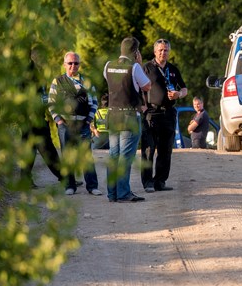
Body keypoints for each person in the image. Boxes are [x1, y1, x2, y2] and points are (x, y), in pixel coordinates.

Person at [104, 37, 151, 203]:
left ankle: (112, 193)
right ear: (135, 51)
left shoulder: (108, 66)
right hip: (129, 116)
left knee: (113, 155)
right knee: (125, 156)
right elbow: (147, 86)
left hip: (113, 115)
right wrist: (139, 63)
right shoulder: (135, 67)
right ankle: (123, 193)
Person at [48, 51, 101, 196]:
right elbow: (51, 102)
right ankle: (69, 186)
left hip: (83, 124)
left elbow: (94, 102)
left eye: (76, 63)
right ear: (64, 65)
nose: (73, 66)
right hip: (65, 125)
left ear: (79, 65)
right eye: (70, 63)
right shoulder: (57, 81)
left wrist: (89, 120)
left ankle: (92, 186)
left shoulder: (87, 81)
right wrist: (58, 120)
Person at [141, 38, 187, 192]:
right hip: (151, 113)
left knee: (165, 150)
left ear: (169, 52)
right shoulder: (146, 68)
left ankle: (160, 182)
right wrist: (142, 108)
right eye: (160, 50)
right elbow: (138, 88)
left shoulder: (173, 69)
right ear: (155, 51)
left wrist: (178, 94)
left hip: (168, 113)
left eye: (166, 50)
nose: (163, 52)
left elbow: (185, 89)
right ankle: (147, 183)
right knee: (149, 149)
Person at [20, 48, 63, 188]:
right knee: (46, 147)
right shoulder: (29, 73)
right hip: (32, 116)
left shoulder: (34, 71)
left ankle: (26, 179)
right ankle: (63, 176)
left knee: (32, 148)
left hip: (31, 116)